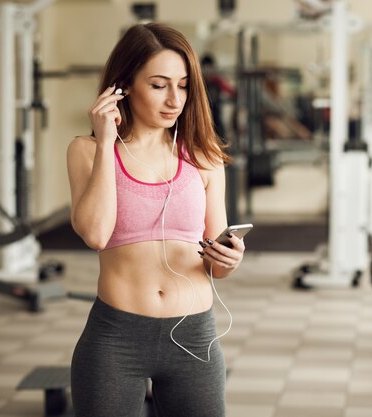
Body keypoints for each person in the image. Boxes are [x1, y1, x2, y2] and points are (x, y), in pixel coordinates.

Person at [66, 23, 246, 417]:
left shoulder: (204, 155)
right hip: (116, 339)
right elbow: (96, 234)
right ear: (124, 86)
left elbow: (217, 260)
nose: (174, 99)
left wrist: (228, 259)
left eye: (183, 85)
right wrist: (107, 141)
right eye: (159, 84)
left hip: (194, 336)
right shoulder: (88, 150)